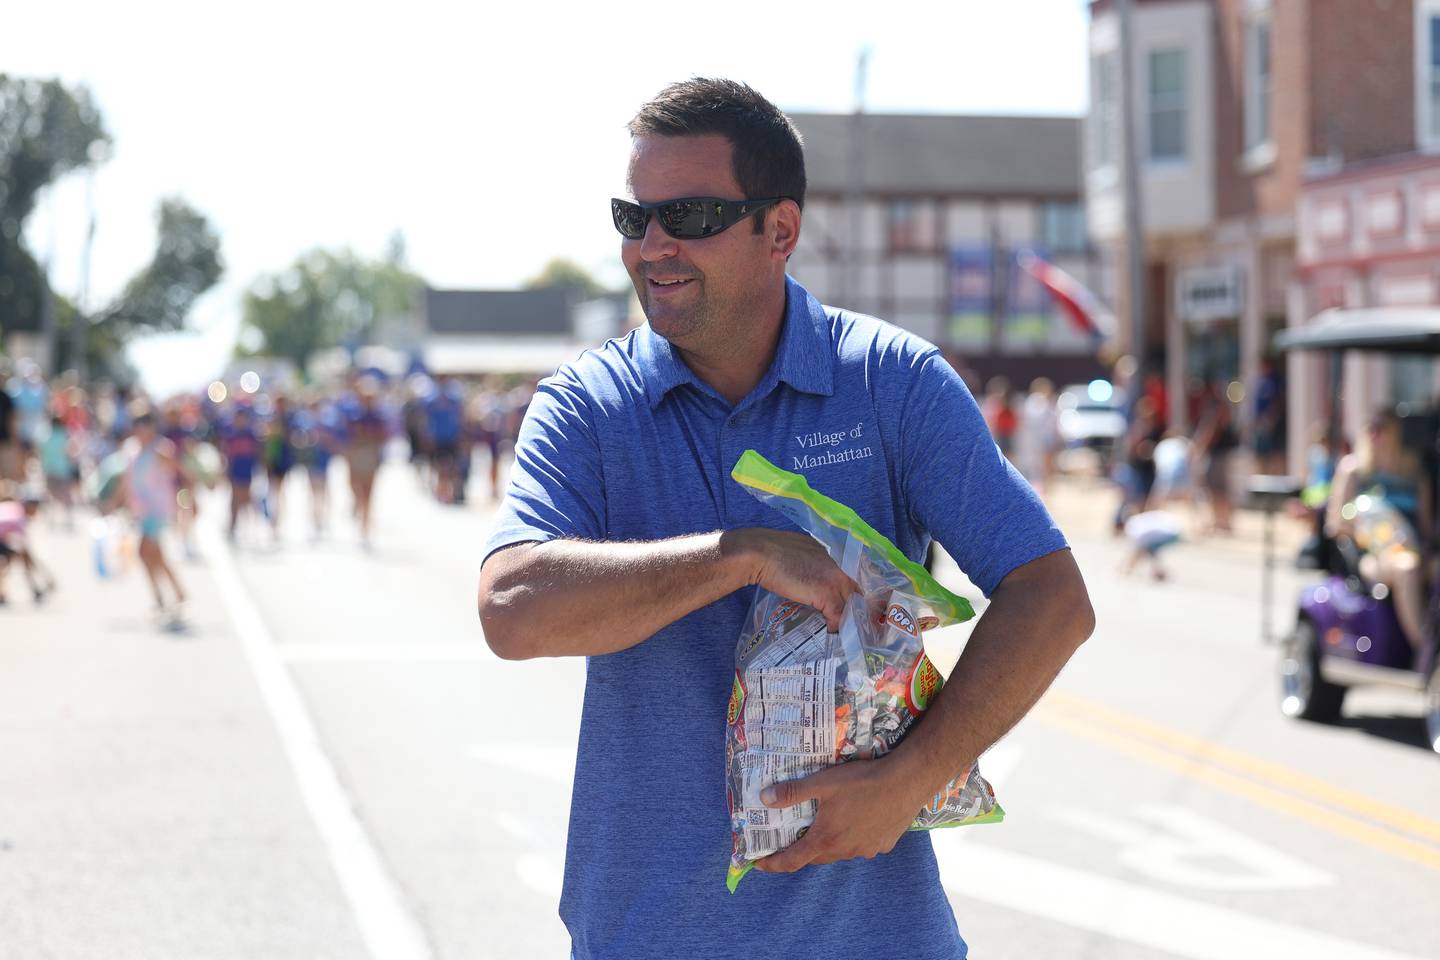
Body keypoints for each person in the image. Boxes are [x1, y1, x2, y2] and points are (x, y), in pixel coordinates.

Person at [477, 79, 1094, 960]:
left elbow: (1052, 597)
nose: (651, 245)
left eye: (687, 215)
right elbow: (511, 610)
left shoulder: (892, 383)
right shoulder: (587, 407)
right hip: (650, 938)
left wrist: (906, 782)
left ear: (781, 231)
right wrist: (741, 555)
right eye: (632, 216)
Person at [1326, 410, 1431, 656]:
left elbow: (1425, 527)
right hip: (1374, 555)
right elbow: (1335, 524)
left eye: (1382, 429)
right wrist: (1371, 531)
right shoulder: (1355, 470)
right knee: (1407, 568)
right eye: (1370, 429)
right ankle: (1424, 649)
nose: (1375, 435)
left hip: (1411, 547)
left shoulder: (1414, 472)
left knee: (1421, 563)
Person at [112, 410, 187, 622]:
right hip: (141, 510)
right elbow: (126, 479)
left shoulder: (160, 448)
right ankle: (176, 593)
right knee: (155, 555)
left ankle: (160, 597)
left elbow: (177, 469)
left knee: (144, 551)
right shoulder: (132, 450)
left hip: (158, 508)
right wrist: (116, 501)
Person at [344, 381, 387, 548]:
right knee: (355, 486)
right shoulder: (354, 414)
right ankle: (360, 512)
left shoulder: (377, 416)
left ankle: (365, 525)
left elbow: (382, 437)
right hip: (357, 455)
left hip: (370, 455)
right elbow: (347, 436)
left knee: (369, 493)